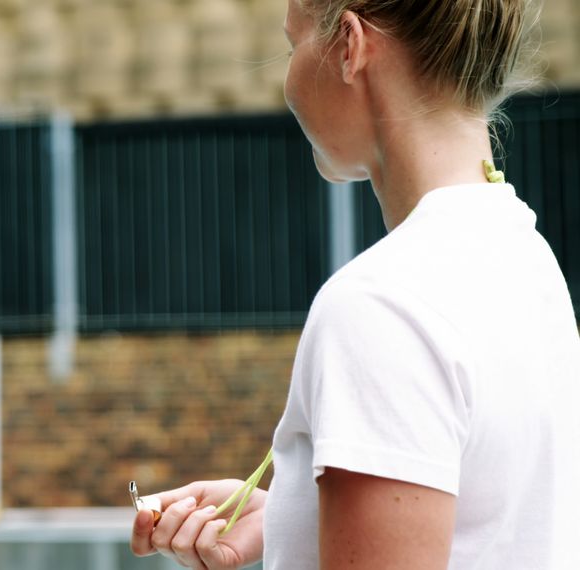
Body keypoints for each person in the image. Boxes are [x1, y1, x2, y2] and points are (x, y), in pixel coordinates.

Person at [130, 0, 580, 568]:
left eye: (294, 46)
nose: (289, 80)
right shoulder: (523, 254)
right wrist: (298, 514)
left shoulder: (379, 306)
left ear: (349, 45)